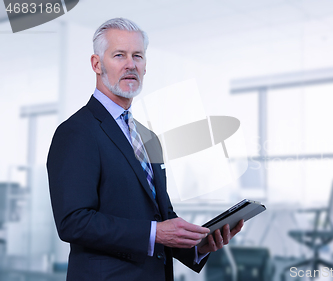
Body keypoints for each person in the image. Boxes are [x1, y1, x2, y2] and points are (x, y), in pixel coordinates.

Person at [46, 18, 244, 281]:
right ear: (96, 64)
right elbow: (73, 222)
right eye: (119, 55)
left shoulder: (147, 136)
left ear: (145, 66)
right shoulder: (77, 131)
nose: (131, 64)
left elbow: (162, 217)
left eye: (137, 56)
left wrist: (197, 245)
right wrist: (154, 233)